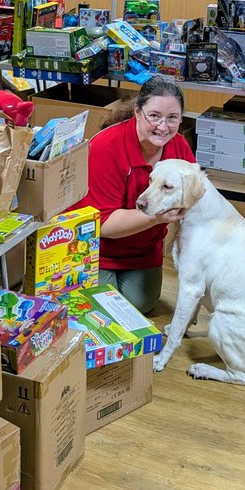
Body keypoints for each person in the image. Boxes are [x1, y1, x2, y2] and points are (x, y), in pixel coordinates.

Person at [76, 75, 195, 313]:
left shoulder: (179, 146)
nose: (163, 127)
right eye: (154, 116)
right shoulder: (106, 148)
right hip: (96, 245)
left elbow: (194, 194)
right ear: (137, 112)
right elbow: (105, 224)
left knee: (141, 304)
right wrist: (159, 216)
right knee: (103, 312)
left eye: (172, 118)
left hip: (143, 248)